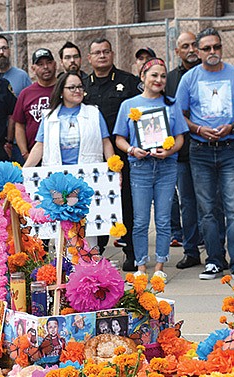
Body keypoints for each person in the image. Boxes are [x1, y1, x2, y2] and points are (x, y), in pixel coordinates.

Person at [176, 27, 234, 279]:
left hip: (231, 148)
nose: (213, 52)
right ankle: (214, 259)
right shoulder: (189, 79)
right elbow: (180, 115)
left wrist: (233, 125)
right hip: (200, 150)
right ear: (198, 52)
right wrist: (198, 128)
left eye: (217, 47)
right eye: (207, 48)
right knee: (207, 210)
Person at [114, 58, 186, 279]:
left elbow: (180, 138)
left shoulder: (172, 104)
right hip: (140, 167)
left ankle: (160, 267)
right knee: (140, 220)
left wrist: (169, 151)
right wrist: (131, 150)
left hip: (166, 167)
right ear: (143, 77)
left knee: (164, 219)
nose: (159, 80)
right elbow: (119, 138)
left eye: (163, 76)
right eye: (154, 75)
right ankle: (141, 266)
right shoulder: (129, 105)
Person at [84, 37, 141, 271]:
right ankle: (98, 251)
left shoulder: (128, 82)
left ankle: (131, 252)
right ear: (89, 58)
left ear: (112, 54)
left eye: (106, 51)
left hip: (121, 153)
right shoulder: (83, 86)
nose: (102, 56)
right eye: (96, 52)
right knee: (95, 205)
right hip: (91, 156)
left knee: (126, 203)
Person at [165, 31, 208, 270]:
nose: (191, 49)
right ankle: (190, 250)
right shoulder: (170, 79)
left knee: (211, 202)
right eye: (185, 46)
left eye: (194, 45)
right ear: (177, 51)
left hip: (208, 148)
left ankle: (213, 249)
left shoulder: (210, 75)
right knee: (187, 203)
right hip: (182, 153)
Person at [24, 71, 113, 167]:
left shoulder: (94, 113)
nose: (77, 90)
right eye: (72, 87)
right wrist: (24, 170)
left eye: (80, 87)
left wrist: (114, 167)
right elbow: (39, 145)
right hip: (57, 174)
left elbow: (105, 142)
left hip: (88, 172)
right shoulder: (49, 116)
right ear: (61, 91)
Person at [12, 48, 57, 163]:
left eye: (49, 62)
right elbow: (19, 125)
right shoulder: (26, 93)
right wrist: (25, 153)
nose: (46, 67)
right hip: (34, 156)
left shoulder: (64, 90)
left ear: (55, 64)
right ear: (33, 69)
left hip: (61, 156)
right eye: (40, 64)